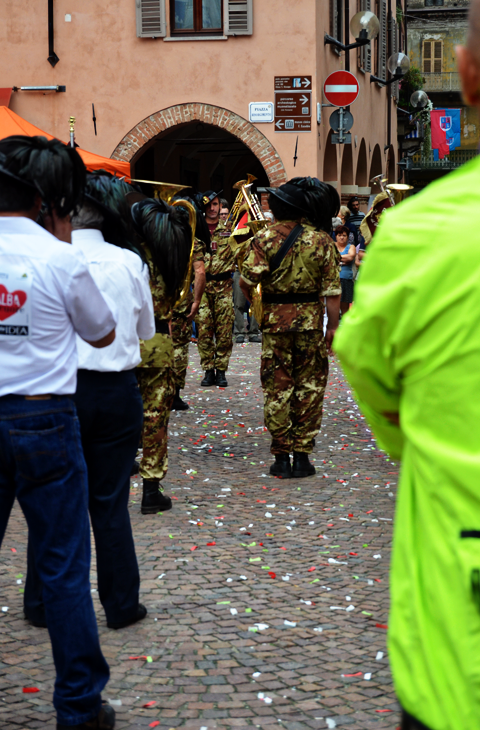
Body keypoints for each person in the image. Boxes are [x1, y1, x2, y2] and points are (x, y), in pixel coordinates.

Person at [334, 8, 480, 727]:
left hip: (455, 656)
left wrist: (414, 438)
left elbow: (367, 368)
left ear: (466, 73)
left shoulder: (416, 234)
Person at [0, 136, 117, 729]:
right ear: (48, 202)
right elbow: (102, 333)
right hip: (43, 417)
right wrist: (62, 246)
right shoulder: (58, 257)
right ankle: (79, 706)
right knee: (63, 566)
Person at [24, 171, 156, 633]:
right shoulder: (129, 261)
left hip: (60, 390)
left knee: (53, 501)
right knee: (110, 502)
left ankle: (41, 602)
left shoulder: (47, 259)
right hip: (117, 391)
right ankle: (121, 604)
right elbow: (145, 331)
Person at [240, 177, 341, 479]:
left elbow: (247, 282)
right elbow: (333, 292)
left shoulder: (264, 238)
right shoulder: (322, 240)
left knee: (277, 388)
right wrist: (333, 327)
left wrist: (261, 304)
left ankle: (281, 457)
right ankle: (303, 457)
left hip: (275, 325)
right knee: (310, 387)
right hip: (310, 324)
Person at [132, 197, 192, 514]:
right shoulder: (172, 256)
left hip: (125, 342)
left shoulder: (127, 255)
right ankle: (151, 490)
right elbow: (179, 301)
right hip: (159, 341)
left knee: (124, 409)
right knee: (156, 418)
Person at [170, 194, 207, 411]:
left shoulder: (155, 236)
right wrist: (197, 300)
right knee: (179, 348)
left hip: (158, 301)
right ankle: (174, 394)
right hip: (182, 303)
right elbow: (200, 271)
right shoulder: (193, 242)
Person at [196, 190, 235, 387]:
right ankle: (208, 370)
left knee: (224, 330)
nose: (212, 208)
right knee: (204, 330)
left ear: (221, 206)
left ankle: (221, 370)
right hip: (202, 287)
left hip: (224, 286)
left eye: (216, 204)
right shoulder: (196, 229)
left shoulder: (230, 230)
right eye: (209, 204)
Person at [333, 224, 356, 316]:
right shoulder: (332, 245)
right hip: (333, 279)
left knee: (345, 309)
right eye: (339, 235)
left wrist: (337, 260)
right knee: (333, 308)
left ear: (348, 237)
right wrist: (343, 261)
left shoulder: (351, 246)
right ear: (336, 236)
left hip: (346, 280)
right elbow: (330, 257)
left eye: (344, 235)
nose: (342, 237)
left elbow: (350, 257)